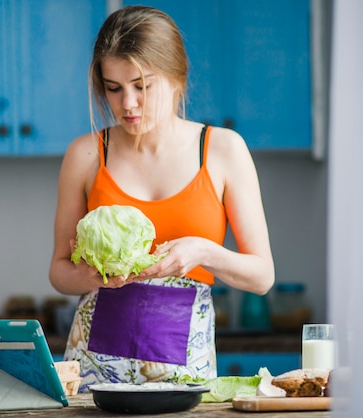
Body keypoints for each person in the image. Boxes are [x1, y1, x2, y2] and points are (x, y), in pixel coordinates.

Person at [48, 5, 274, 391]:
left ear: (176, 78)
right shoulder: (85, 154)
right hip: (93, 372)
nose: (128, 104)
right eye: (113, 88)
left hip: (187, 368)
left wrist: (202, 252)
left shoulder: (222, 150)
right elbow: (58, 271)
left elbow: (262, 276)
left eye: (143, 85)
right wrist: (86, 276)